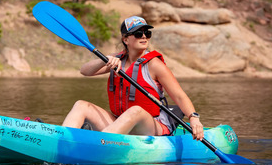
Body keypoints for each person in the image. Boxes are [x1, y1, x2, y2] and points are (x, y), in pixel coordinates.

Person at [61, 16, 204, 140]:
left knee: (135, 110)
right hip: (120, 122)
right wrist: (104, 60)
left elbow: (179, 96)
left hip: (151, 126)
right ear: (125, 39)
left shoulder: (155, 65)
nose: (144, 37)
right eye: (138, 33)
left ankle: (97, 144)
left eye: (147, 33)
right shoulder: (117, 60)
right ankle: (61, 141)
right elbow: (84, 71)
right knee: (81, 105)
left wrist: (194, 118)